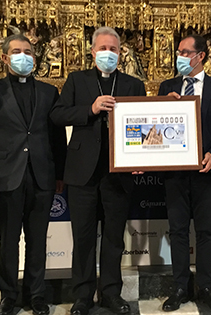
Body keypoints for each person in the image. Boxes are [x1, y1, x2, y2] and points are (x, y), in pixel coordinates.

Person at [50, 27, 146, 315]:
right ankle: (82, 295)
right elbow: (58, 114)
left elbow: (143, 125)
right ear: (92, 52)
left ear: (120, 53)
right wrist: (90, 109)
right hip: (82, 172)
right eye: (103, 48)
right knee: (83, 237)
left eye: (114, 49)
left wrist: (141, 158)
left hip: (119, 174)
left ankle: (111, 293)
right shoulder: (77, 80)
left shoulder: (132, 84)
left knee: (114, 238)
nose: (108, 54)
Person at [0, 34, 66, 315]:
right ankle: (8, 296)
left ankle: (36, 295)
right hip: (7, 176)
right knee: (9, 240)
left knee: (38, 241)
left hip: (42, 177)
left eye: (27, 52)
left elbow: (57, 137)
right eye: (16, 51)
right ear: (4, 58)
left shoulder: (50, 92)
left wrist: (59, 174)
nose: (23, 56)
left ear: (35, 58)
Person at [158, 34, 211, 312]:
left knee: (205, 232)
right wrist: (164, 105)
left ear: (200, 55)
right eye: (178, 52)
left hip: (206, 171)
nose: (179, 56)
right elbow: (154, 129)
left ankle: (204, 287)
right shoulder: (167, 86)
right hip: (175, 173)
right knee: (178, 231)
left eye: (184, 52)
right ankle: (181, 286)